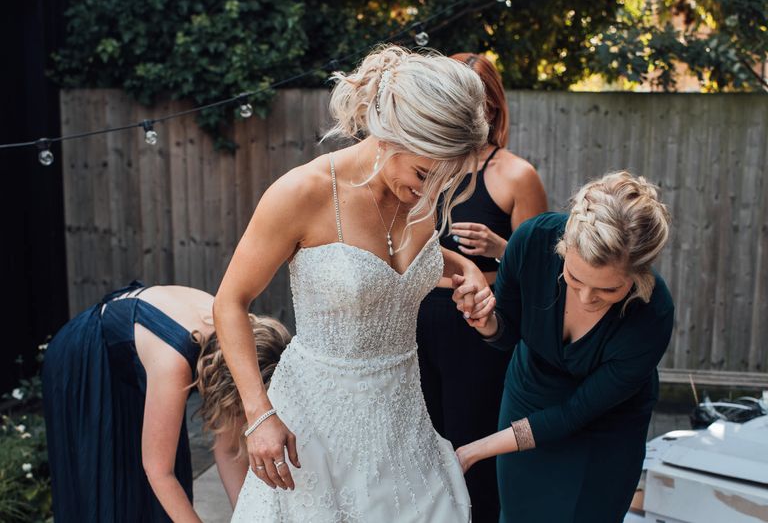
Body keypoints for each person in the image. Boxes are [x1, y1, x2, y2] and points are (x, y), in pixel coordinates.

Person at [214, 44, 493, 522]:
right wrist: (259, 415)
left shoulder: (422, 189)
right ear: (389, 135)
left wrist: (460, 269)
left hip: (403, 416)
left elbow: (396, 264)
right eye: (425, 174)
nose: (431, 193)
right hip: (317, 421)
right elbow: (230, 302)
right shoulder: (303, 193)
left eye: (445, 181)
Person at [453, 171, 675, 523]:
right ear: (563, 247)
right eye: (574, 278)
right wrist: (488, 322)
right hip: (528, 397)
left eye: (608, 291)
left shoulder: (653, 315)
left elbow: (573, 414)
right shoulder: (531, 242)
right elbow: (507, 334)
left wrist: (472, 451)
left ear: (638, 275)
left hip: (603, 429)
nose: (587, 298)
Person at [417, 52, 547, 522]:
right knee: (421, 445)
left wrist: (499, 247)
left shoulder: (516, 174)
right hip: (414, 322)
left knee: (473, 447)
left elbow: (541, 271)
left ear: (491, 106)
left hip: (477, 326)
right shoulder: (423, 168)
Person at [42, 281, 291, 522]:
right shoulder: (174, 362)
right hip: (86, 364)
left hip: (135, 363)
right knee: (106, 484)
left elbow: (227, 450)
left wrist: (248, 517)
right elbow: (159, 472)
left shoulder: (235, 345)